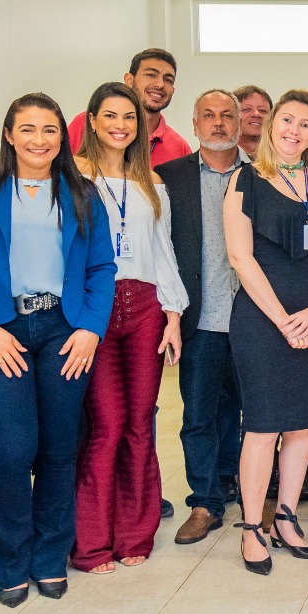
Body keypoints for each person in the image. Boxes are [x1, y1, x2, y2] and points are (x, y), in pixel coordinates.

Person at [0, 93, 117, 607]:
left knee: (60, 450)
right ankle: (11, 562)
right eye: (28, 129)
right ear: (9, 135)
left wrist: (90, 329)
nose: (39, 140)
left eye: (50, 130)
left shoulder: (82, 192)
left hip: (65, 333)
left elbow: (101, 268)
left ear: (63, 137)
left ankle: (48, 559)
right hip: (3, 333)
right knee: (13, 452)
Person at [224, 89, 308, 575]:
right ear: (271, 124)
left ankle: (285, 518)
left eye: (305, 124)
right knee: (262, 425)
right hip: (262, 319)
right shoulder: (246, 180)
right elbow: (240, 257)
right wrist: (284, 320)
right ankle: (252, 528)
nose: (294, 131)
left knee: (302, 423)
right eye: (287, 121)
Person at [71, 82, 187, 573]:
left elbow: (163, 255)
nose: (120, 125)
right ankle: (92, 543)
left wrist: (174, 317)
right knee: (106, 425)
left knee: (141, 423)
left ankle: (136, 534)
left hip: (145, 308)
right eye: (111, 116)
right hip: (92, 310)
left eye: (130, 118)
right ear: (92, 121)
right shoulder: (72, 181)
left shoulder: (151, 186)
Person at [155, 89, 250, 545]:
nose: (218, 123)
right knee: (198, 415)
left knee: (247, 411)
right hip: (200, 318)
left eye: (226, 115)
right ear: (193, 123)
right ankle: (205, 502)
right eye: (208, 115)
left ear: (240, 122)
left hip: (254, 319)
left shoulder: (261, 176)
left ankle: (237, 485)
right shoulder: (166, 178)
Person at [67, 48, 191, 166]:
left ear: (173, 90)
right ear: (129, 80)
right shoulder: (84, 123)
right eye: (151, 75)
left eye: (168, 80)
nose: (160, 84)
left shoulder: (180, 147)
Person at [235, 85, 272, 160]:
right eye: (247, 109)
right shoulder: (221, 157)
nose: (256, 114)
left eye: (262, 110)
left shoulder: (281, 159)